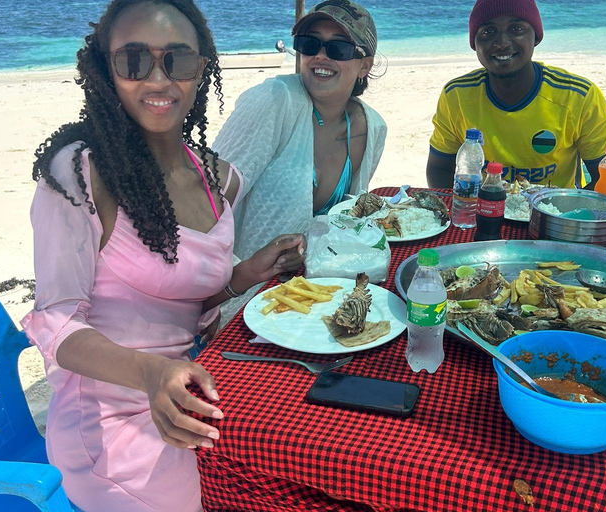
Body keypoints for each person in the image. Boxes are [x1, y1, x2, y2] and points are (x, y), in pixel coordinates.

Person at [20, 1, 303, 510]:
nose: (157, 79)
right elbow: (56, 324)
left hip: (188, 387)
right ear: (106, 70)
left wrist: (245, 275)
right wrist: (151, 374)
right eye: (134, 60)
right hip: (107, 418)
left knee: (298, 461)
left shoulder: (221, 180)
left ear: (202, 69)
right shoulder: (80, 174)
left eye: (177, 60)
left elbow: (179, 303)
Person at [213, 0, 387, 321]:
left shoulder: (372, 128)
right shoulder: (274, 101)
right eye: (309, 44)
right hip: (246, 301)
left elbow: (346, 222)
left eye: (339, 48)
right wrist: (218, 295)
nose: (320, 56)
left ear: (365, 65)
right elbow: (208, 200)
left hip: (322, 299)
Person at [426, 0, 606, 193]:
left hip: (555, 215)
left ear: (536, 37)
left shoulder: (578, 96)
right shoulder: (457, 96)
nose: (502, 43)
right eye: (488, 31)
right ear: (474, 43)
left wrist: (560, 214)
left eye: (517, 29)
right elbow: (439, 168)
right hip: (484, 212)